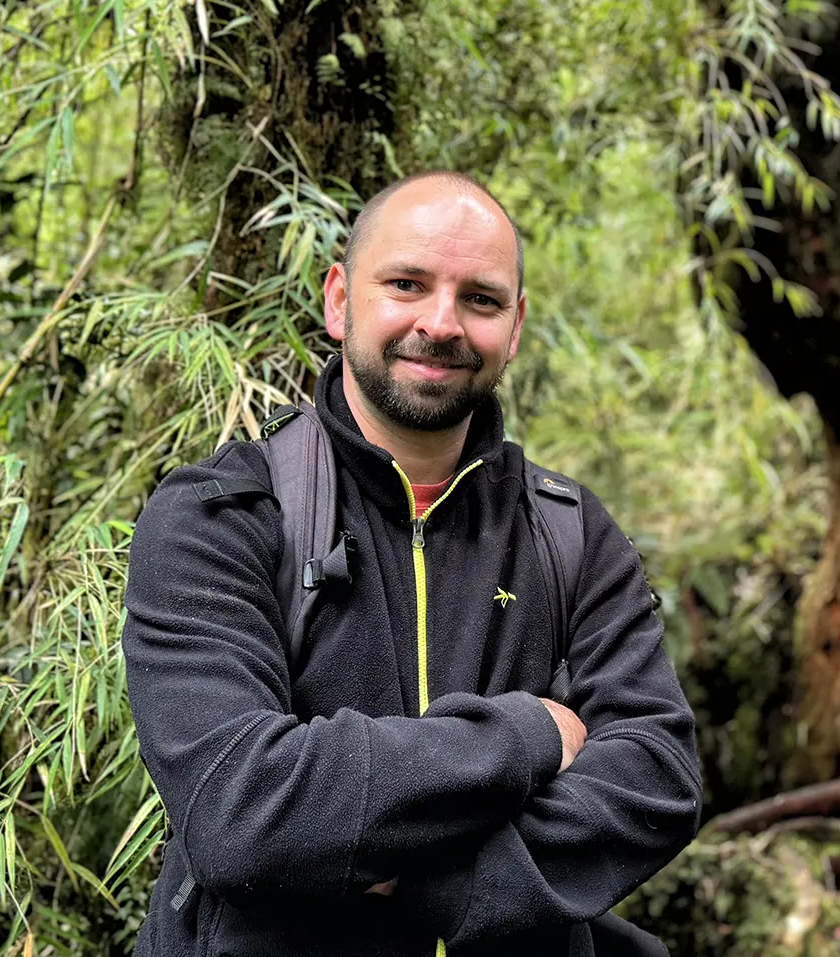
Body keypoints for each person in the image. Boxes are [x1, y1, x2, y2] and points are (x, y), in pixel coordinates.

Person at [122, 171, 702, 956]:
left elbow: (657, 777)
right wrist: (530, 733)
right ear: (339, 299)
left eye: (481, 299)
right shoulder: (221, 517)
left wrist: (433, 877)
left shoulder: (569, 533)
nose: (441, 321)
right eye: (406, 283)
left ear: (517, 326)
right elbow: (242, 808)